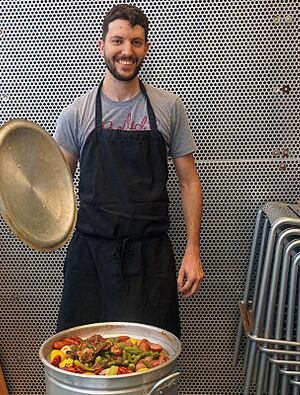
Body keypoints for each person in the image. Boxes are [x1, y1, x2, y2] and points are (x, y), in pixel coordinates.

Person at [53, 4, 203, 338]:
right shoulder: (76, 114)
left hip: (150, 259)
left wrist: (192, 251)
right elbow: (56, 188)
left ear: (145, 48)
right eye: (118, 41)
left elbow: (189, 181)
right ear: (102, 45)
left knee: (149, 361)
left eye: (136, 42)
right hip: (91, 258)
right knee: (81, 359)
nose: (127, 51)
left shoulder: (168, 108)